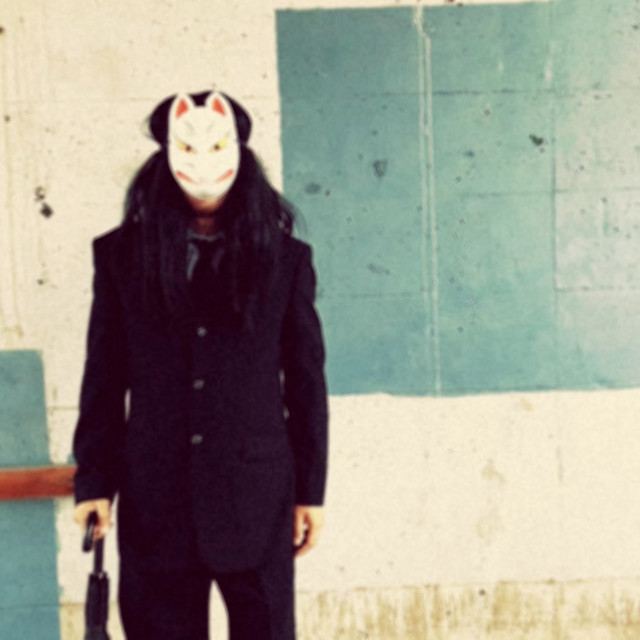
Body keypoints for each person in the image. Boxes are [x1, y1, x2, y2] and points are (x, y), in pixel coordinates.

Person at [71, 89, 328, 640]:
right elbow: (104, 376)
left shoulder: (284, 261)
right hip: (155, 500)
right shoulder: (121, 257)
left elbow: (306, 382)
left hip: (257, 498)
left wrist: (312, 491)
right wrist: (93, 480)